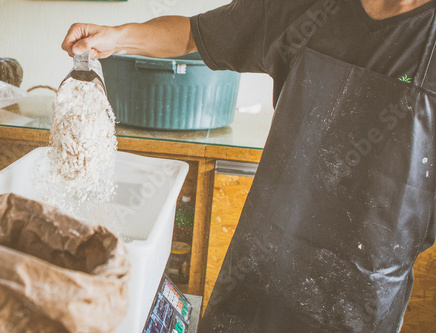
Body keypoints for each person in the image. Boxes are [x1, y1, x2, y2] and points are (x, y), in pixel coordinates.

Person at [62, 1, 436, 332]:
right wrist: (116, 36)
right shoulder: (304, 8)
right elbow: (192, 34)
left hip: (359, 298)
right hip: (262, 270)